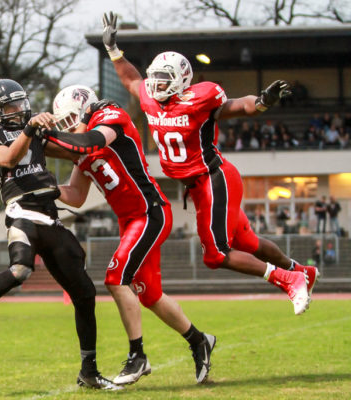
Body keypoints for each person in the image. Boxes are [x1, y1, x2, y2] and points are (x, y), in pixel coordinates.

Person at [100, 11, 319, 315]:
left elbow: (237, 106)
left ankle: (288, 279)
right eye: (157, 77)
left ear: (181, 80)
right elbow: (132, 79)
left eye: (165, 79)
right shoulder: (149, 98)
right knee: (248, 241)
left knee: (216, 254)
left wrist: (262, 102)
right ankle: (302, 270)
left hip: (214, 178)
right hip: (199, 186)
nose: (157, 84)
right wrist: (113, 51)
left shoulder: (200, 99)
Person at [0, 79, 119, 390]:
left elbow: (77, 150)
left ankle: (89, 371)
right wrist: (30, 129)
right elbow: (7, 158)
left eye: (21, 104)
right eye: (10, 106)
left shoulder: (36, 134)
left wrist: (87, 118)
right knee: (20, 269)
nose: (18, 110)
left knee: (85, 294)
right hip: (22, 211)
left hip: (50, 214)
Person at [42, 85, 216, 384]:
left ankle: (138, 357)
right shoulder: (79, 145)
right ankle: (200, 340)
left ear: (85, 107)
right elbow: (76, 196)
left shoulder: (109, 116)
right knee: (150, 295)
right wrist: (44, 187)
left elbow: (88, 142)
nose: (68, 125)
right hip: (130, 220)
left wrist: (41, 139)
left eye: (70, 117)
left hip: (150, 212)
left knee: (115, 278)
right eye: (63, 122)